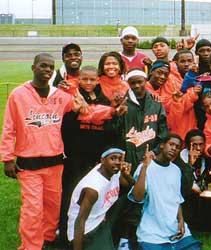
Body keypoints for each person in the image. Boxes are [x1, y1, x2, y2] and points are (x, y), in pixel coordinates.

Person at [0, 53, 81, 250]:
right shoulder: (19, 94)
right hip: (29, 163)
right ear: (33, 68)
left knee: (52, 207)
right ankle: (31, 246)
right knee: (33, 209)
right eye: (43, 66)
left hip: (55, 162)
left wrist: (72, 89)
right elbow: (9, 128)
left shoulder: (60, 96)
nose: (47, 70)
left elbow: (82, 108)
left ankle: (47, 240)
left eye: (50, 67)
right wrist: (7, 158)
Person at [59, 66, 128, 243]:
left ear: (98, 80)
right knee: (72, 196)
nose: (88, 83)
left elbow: (108, 127)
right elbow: (68, 125)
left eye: (92, 80)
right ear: (79, 79)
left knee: (96, 196)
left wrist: (115, 114)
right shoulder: (71, 96)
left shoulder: (104, 99)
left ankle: (94, 228)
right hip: (76, 157)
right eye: (85, 79)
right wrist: (76, 112)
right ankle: (68, 235)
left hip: (97, 157)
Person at [111, 68, 169, 249]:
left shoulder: (156, 104)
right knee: (126, 200)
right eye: (133, 82)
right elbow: (113, 133)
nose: (137, 86)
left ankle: (145, 234)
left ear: (146, 81)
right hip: (128, 159)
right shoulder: (124, 104)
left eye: (140, 82)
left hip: (148, 160)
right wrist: (116, 114)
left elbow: (163, 132)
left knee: (147, 199)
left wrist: (156, 151)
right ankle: (124, 237)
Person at [128, 135, 202, 250]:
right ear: (162, 145)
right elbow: (137, 197)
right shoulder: (145, 167)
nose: (174, 149)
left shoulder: (176, 170)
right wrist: (144, 167)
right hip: (152, 232)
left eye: (177, 147)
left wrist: (181, 221)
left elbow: (176, 199)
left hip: (174, 228)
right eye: (171, 144)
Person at [67, 148, 134, 250]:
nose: (117, 162)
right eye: (113, 158)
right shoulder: (93, 188)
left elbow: (132, 187)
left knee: (129, 199)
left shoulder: (114, 171)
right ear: (102, 161)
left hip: (100, 220)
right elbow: (80, 221)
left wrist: (127, 175)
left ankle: (122, 238)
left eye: (119, 159)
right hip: (86, 231)